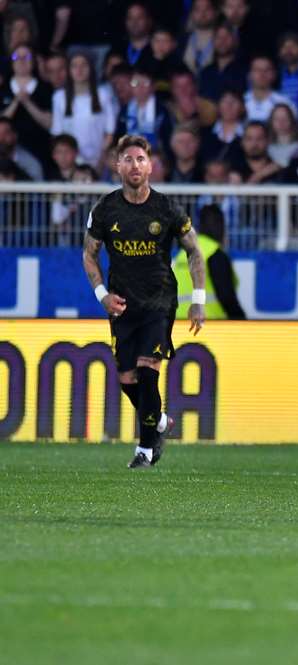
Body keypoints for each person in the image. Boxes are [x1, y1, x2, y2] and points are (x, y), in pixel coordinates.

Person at [82, 134, 206, 469]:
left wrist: (198, 299)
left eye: (140, 159)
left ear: (150, 166)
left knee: (148, 372)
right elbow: (89, 255)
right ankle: (160, 421)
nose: (135, 165)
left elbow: (195, 251)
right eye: (128, 159)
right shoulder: (105, 210)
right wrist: (102, 295)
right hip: (122, 304)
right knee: (126, 379)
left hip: (159, 302)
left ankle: (146, 450)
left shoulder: (166, 208)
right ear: (117, 165)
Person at [174, 204, 246, 321]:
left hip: (178, 325)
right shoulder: (214, 254)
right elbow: (227, 297)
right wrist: (244, 323)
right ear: (222, 228)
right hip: (209, 326)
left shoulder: (182, 255)